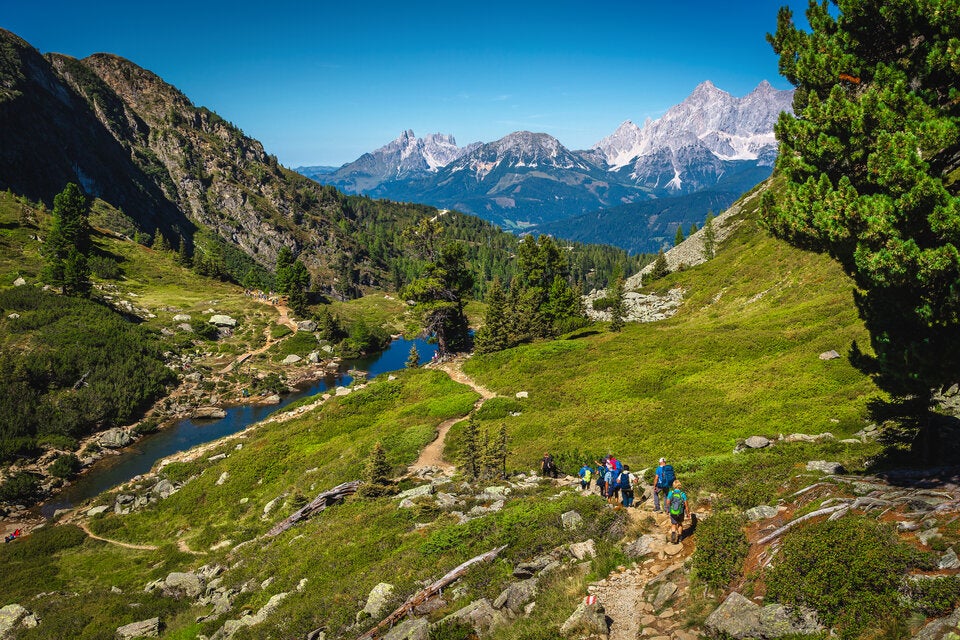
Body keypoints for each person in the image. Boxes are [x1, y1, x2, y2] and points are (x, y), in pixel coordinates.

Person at [665, 479, 687, 544]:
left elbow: (668, 502)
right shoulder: (682, 494)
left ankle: (674, 535)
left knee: (673, 524)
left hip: (673, 511)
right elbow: (686, 505)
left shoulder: (671, 493)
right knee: (680, 523)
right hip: (680, 512)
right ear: (680, 485)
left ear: (674, 486)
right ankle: (680, 537)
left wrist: (667, 510)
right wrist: (688, 513)